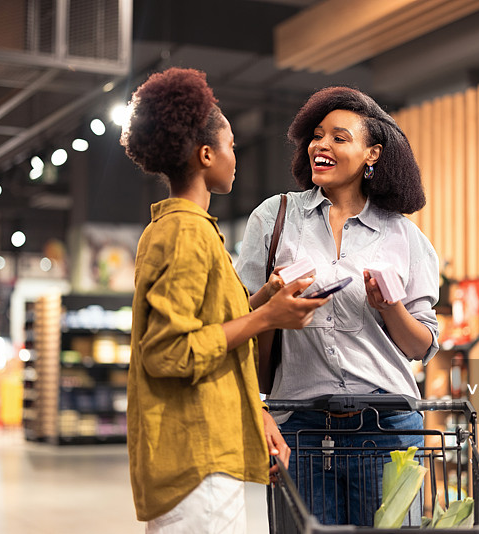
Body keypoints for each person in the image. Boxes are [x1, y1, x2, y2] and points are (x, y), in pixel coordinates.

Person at [120, 67, 328, 534]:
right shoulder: (185, 232)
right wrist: (268, 318)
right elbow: (169, 351)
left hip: (207, 448)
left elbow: (214, 327)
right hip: (195, 458)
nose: (236, 156)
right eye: (232, 146)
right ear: (206, 154)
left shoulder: (183, 229)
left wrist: (266, 298)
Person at [236, 86, 439, 526]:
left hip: (386, 429)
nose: (320, 145)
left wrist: (390, 307)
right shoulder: (274, 218)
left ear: (372, 154)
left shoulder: (404, 236)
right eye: (316, 135)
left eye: (339, 137)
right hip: (301, 429)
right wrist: (270, 297)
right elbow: (237, 316)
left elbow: (422, 345)